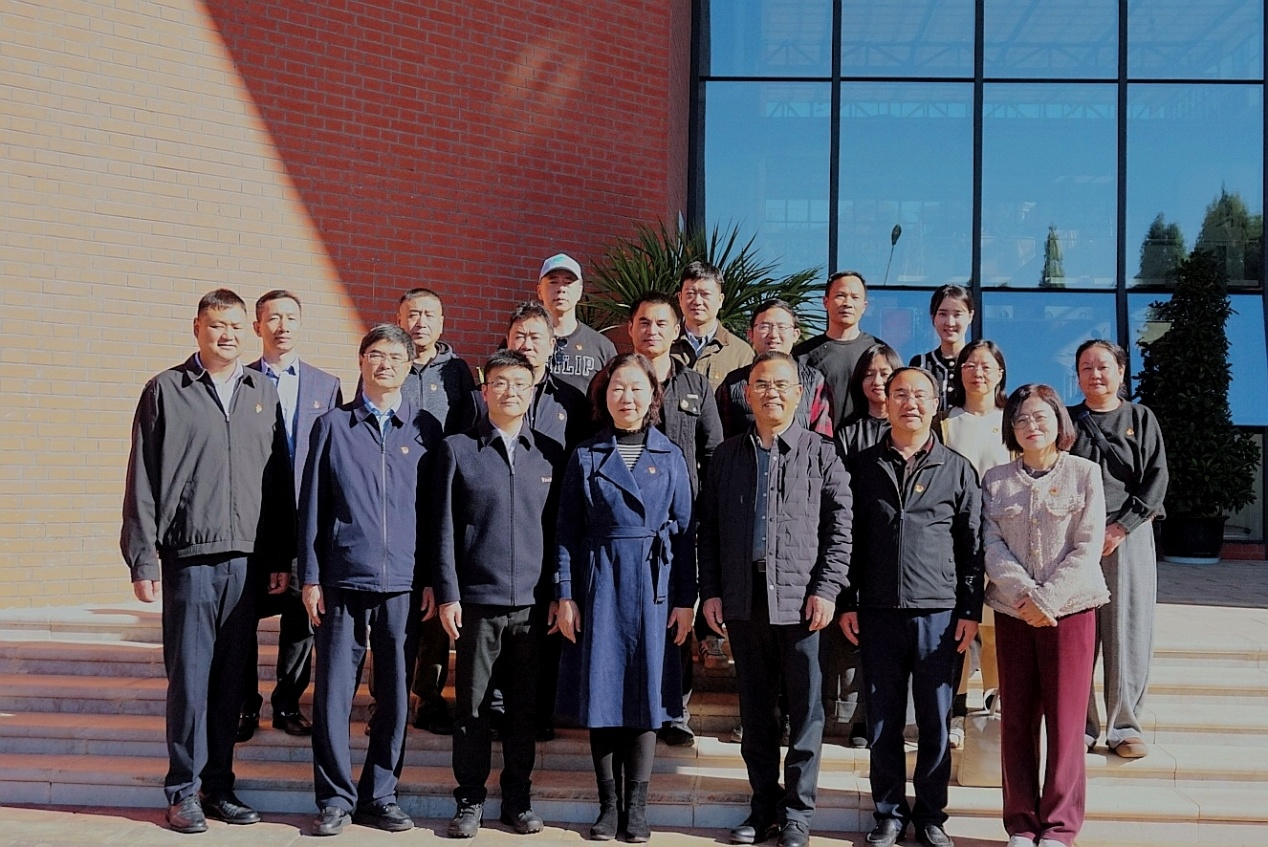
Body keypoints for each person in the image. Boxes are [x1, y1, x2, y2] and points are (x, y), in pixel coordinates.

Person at [121, 288, 295, 833]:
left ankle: (219, 786)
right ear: (196, 328)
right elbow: (142, 477)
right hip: (190, 558)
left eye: (236, 326)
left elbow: (277, 481)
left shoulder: (261, 392)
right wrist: (142, 557)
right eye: (217, 325)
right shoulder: (166, 390)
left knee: (230, 682)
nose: (227, 335)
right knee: (190, 681)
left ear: (249, 331)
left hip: (246, 560)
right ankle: (182, 790)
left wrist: (279, 554)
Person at [698, 352, 852, 847]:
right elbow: (708, 530)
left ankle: (798, 815)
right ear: (747, 393)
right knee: (756, 711)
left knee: (806, 712)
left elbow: (841, 530)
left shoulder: (822, 453)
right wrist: (712, 591)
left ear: (800, 394)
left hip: (803, 603)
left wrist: (827, 589)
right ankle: (763, 805)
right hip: (745, 600)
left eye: (782, 384)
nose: (771, 393)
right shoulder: (727, 456)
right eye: (762, 384)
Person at [301, 325, 442, 837]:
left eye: (395, 357)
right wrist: (310, 576)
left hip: (403, 584)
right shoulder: (333, 425)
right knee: (333, 696)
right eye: (376, 355)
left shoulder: (424, 429)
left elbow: (435, 514)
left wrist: (432, 579)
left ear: (409, 366)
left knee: (396, 695)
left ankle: (380, 794)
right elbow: (312, 507)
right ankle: (335, 798)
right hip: (342, 578)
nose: (385, 364)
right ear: (361, 361)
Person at [556, 353, 696, 843]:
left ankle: (636, 808)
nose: (627, 397)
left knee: (644, 696)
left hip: (655, 587)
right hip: (601, 583)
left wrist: (685, 600)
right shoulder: (586, 455)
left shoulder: (670, 455)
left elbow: (685, 534)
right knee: (603, 692)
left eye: (637, 388)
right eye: (618, 387)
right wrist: (566, 594)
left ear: (653, 396)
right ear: (605, 394)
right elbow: (567, 531)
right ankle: (608, 806)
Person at [841, 367, 983, 847]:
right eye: (900, 394)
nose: (910, 403)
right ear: (886, 401)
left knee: (935, 721)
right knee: (882, 719)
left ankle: (931, 815)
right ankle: (888, 813)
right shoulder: (861, 466)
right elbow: (846, 540)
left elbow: (972, 546)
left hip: (939, 615)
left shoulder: (956, 468)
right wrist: (847, 600)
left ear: (936, 404)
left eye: (920, 394)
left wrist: (969, 610)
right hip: (877, 610)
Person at [434, 350, 565, 838]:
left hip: (532, 606)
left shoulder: (549, 453)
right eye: (501, 383)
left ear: (532, 393)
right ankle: (470, 799)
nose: (511, 392)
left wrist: (558, 594)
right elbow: (442, 529)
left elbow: (559, 532)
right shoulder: (458, 449)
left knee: (523, 711)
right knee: (472, 708)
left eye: (520, 384)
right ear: (484, 390)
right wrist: (448, 593)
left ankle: (517, 799)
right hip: (476, 603)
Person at [983, 384, 1108, 847]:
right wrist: (1023, 594)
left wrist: (1049, 599)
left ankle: (1059, 826)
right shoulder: (995, 480)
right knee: (1015, 717)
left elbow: (1088, 545)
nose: (1031, 426)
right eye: (1021, 419)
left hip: (1071, 611)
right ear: (1011, 428)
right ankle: (1021, 822)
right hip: (1013, 611)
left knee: (1066, 720)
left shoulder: (1084, 474)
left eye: (1041, 417)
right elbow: (990, 543)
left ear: (1059, 422)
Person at [239, 289, 343, 742]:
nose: (282, 326)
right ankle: (244, 704)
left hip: (305, 519)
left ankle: (287, 702)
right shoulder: (239, 380)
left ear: (301, 325)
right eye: (273, 318)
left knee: (302, 616)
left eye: (291, 318)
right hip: (251, 521)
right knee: (241, 615)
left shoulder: (326, 385)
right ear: (257, 326)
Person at [621, 292, 724, 747]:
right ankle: (625, 704)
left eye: (662, 323)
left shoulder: (694, 385)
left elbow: (712, 453)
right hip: (624, 524)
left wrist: (705, 514)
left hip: (679, 524)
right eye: (644, 322)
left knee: (677, 615)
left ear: (677, 330)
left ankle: (674, 710)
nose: (652, 331)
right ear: (631, 328)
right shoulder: (616, 379)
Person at [1067, 340, 1168, 759]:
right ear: (1077, 375)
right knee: (1078, 633)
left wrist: (1121, 527)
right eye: (1086, 367)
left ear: (1121, 371)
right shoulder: (1067, 420)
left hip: (1129, 533)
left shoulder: (1140, 418)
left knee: (1127, 629)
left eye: (1103, 366)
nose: (1095, 374)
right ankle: (1080, 727)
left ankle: (1124, 727)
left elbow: (1156, 479)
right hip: (1075, 538)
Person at [395, 287, 477, 735]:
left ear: (442, 322)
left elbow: (470, 428)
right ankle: (387, 699)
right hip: (396, 498)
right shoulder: (391, 360)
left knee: (435, 600)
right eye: (412, 314)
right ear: (400, 318)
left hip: (442, 498)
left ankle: (427, 697)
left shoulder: (457, 371)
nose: (420, 322)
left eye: (429, 314)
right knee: (395, 606)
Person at [939, 339, 1010, 749]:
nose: (977, 373)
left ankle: (995, 708)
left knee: (995, 625)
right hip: (955, 540)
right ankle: (956, 710)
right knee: (959, 628)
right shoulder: (945, 422)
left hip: (1003, 538)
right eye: (969, 365)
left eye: (986, 366)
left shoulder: (1012, 420)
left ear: (1000, 373)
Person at [716, 299, 834, 440]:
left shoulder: (814, 381)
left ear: (795, 334)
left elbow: (822, 441)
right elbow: (720, 439)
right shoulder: (732, 383)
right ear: (750, 334)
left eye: (782, 327)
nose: (773, 334)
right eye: (764, 327)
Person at [793, 271, 887, 428]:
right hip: (817, 439)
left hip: (867, 439)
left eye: (855, 297)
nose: (847, 303)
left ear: (864, 306)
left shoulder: (879, 352)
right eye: (840, 296)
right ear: (825, 302)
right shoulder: (803, 354)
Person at [537, 253, 618, 394]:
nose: (561, 288)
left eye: (568, 282)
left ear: (580, 291)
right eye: (553, 282)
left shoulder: (602, 347)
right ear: (539, 290)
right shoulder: (524, 342)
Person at [671, 260, 755, 391]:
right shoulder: (665, 345)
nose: (697, 301)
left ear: (720, 300)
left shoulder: (741, 353)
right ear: (680, 298)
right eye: (690, 294)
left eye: (705, 294)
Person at [908, 285, 974, 412]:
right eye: (943, 314)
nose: (950, 322)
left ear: (970, 316)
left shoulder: (979, 365)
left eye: (957, 314)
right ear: (933, 317)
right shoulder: (921, 364)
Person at [836, 344, 903, 458]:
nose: (876, 381)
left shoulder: (907, 425)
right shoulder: (848, 430)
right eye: (869, 374)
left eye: (884, 374)